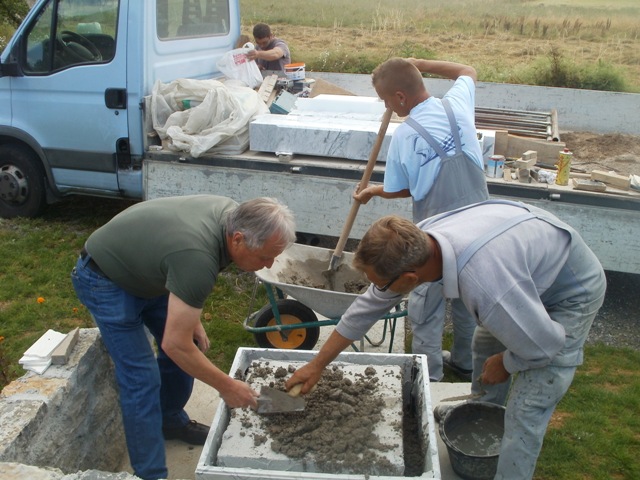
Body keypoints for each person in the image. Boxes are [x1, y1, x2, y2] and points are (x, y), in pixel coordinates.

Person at [286, 200, 606, 480]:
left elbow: (546, 347)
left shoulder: (486, 287)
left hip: (570, 293)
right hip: (525, 264)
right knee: (484, 344)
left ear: (411, 279)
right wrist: (317, 365)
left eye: (382, 284)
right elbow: (368, 306)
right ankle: (479, 419)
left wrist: (508, 363)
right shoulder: (417, 240)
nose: (379, 291)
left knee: (526, 411)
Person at [71, 195, 296, 480]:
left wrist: (190, 317)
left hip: (150, 271)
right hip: (105, 278)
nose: (268, 265)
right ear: (238, 239)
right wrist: (227, 386)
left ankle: (169, 421)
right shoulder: (198, 257)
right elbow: (175, 342)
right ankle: (151, 475)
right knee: (142, 378)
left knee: (186, 347)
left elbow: (178, 262)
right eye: (265, 256)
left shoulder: (233, 217)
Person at [353, 57, 489, 381]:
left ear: (399, 97)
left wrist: (373, 191)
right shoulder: (458, 104)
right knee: (466, 298)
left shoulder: (405, 136)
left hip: (438, 236)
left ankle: (429, 375)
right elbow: (468, 70)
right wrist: (421, 63)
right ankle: (465, 362)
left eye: (386, 100)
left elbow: (403, 190)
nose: (386, 106)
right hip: (480, 226)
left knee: (425, 304)